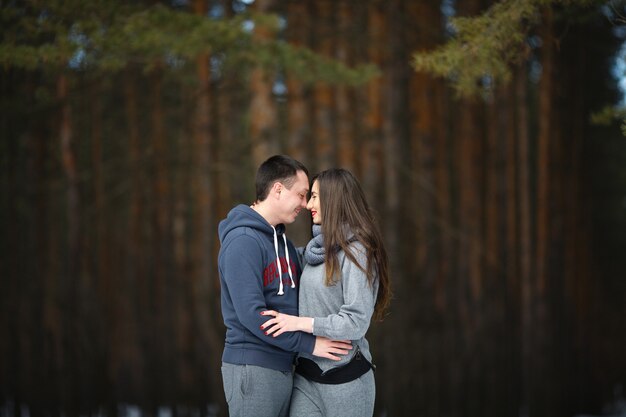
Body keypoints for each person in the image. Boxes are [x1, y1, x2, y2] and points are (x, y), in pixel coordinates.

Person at [217, 156, 353, 417]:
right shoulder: (242, 241)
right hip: (253, 366)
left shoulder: (283, 245)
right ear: (278, 189)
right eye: (302, 195)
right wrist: (311, 344)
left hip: (283, 366)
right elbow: (252, 316)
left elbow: (315, 263)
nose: (305, 204)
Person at [260, 168, 391, 417]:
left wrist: (299, 324)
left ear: (334, 199)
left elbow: (355, 322)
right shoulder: (313, 252)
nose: (309, 204)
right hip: (306, 378)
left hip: (346, 379)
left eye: (315, 197)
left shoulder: (358, 253)